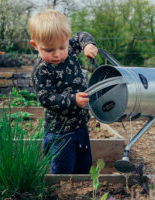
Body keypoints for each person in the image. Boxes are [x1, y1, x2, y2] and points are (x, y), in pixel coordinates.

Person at [28, 9, 98, 174]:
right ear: (35, 45)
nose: (57, 54)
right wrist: (73, 100)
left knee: (84, 165)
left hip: (80, 125)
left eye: (62, 47)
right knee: (63, 168)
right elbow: (46, 98)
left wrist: (88, 44)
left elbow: (81, 35)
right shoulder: (42, 70)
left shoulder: (71, 48)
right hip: (60, 131)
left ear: (67, 40)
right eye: (49, 50)